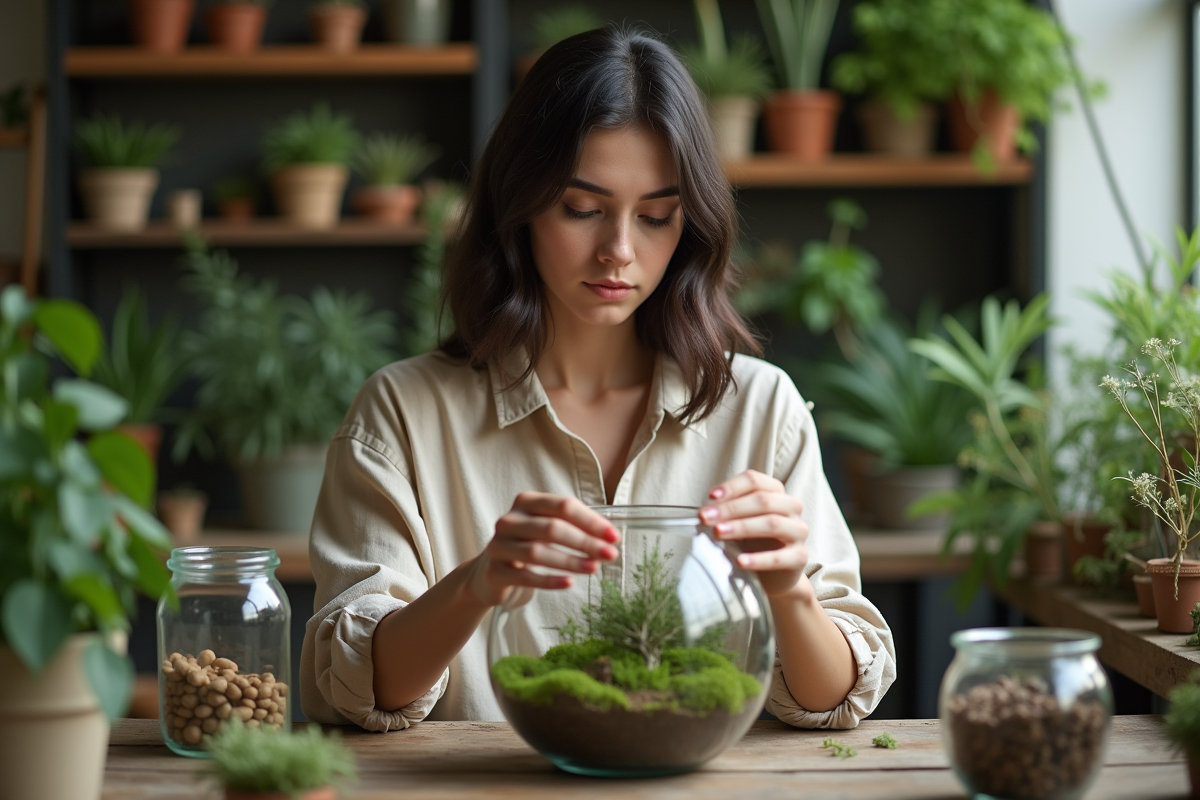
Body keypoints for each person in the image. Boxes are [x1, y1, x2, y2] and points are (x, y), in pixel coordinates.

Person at [300, 26, 895, 732]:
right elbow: (360, 686)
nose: (618, 251)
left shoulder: (762, 409)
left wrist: (789, 590)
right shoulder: (401, 413)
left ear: (690, 225)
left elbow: (834, 699)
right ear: (517, 207)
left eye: (656, 217)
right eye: (581, 209)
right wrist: (478, 581)